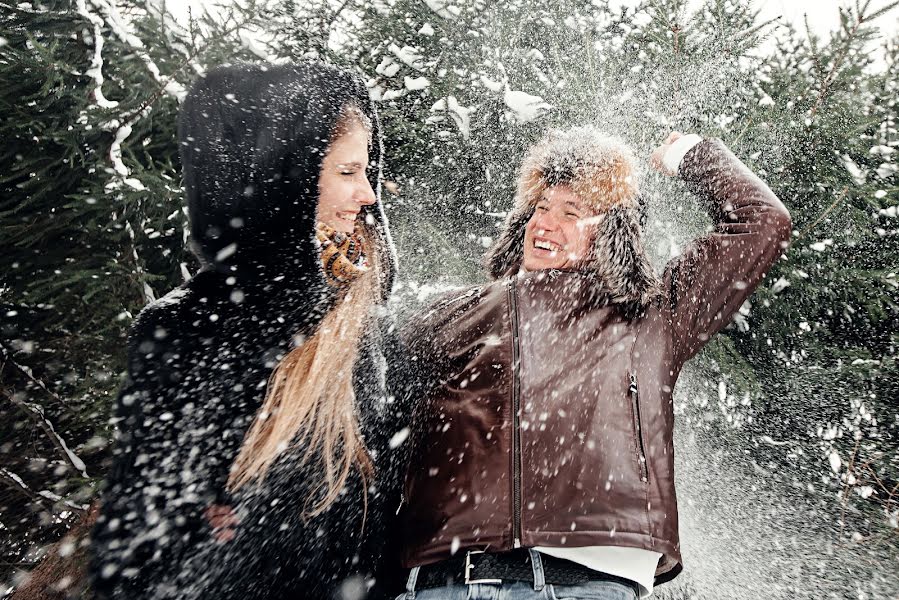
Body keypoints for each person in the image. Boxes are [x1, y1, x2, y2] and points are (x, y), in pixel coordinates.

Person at [395, 127, 792, 599]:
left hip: (586, 582)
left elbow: (762, 221)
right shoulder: (458, 313)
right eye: (540, 208)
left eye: (571, 213)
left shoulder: (653, 317)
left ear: (610, 232)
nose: (545, 223)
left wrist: (691, 154)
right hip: (447, 584)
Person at [89, 62, 404, 600]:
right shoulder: (186, 326)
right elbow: (137, 525)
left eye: (366, 172)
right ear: (285, 181)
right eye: (348, 173)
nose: (369, 195)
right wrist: (199, 524)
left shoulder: (369, 323)